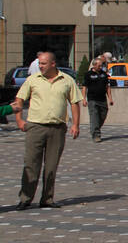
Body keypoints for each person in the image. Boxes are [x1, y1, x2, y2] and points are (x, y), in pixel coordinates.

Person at [12, 50, 82, 209]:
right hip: (35, 127)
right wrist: (19, 120)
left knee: (51, 166)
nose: (40, 66)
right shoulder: (32, 80)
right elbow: (19, 99)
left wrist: (75, 125)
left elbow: (74, 102)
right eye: (39, 64)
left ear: (52, 64)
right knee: (31, 163)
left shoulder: (67, 80)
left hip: (57, 129)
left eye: (43, 64)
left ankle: (47, 199)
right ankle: (25, 198)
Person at [82, 55, 113, 143]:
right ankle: (96, 135)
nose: (100, 67)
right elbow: (84, 87)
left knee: (102, 116)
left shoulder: (104, 74)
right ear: (94, 65)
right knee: (94, 116)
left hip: (102, 99)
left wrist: (110, 98)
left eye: (101, 65)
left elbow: (107, 87)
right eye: (99, 65)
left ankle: (94, 128)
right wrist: (84, 99)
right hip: (92, 99)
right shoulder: (88, 74)